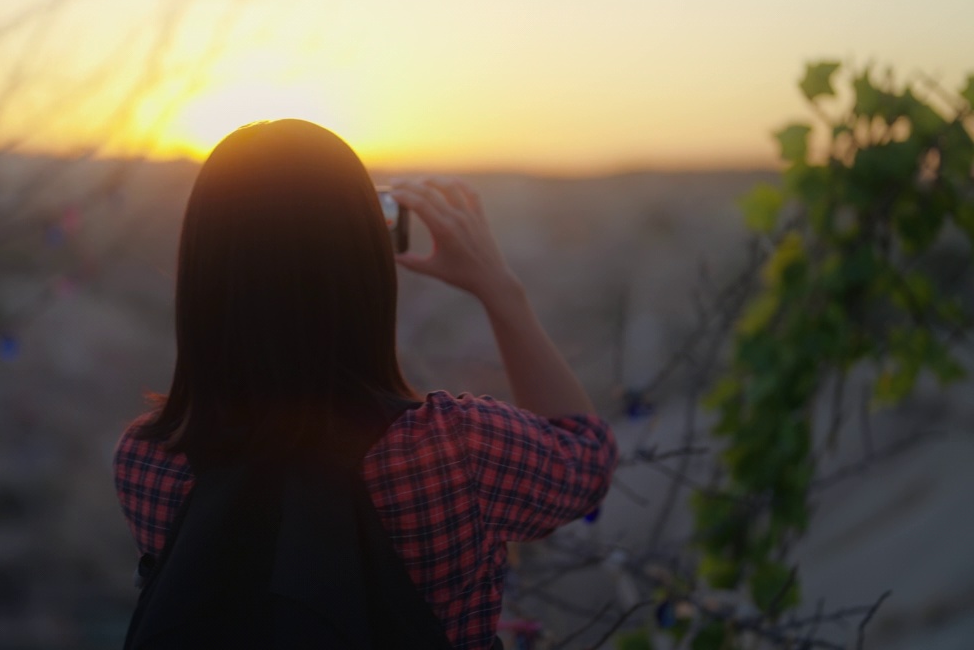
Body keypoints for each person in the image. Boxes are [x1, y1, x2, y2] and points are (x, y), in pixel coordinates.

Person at [113, 119, 617, 649]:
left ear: (202, 266)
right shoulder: (453, 446)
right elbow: (586, 457)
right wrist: (499, 289)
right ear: (366, 261)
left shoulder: (148, 463)